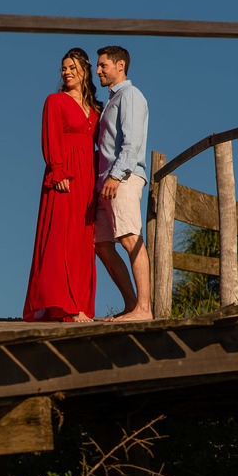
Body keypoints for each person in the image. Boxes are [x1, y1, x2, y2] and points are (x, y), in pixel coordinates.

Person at [23, 48, 101, 322]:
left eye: (71, 67)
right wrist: (59, 172)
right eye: (63, 68)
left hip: (88, 179)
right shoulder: (55, 101)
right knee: (61, 238)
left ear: (84, 70)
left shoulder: (95, 109)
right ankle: (62, 304)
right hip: (65, 176)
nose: (66, 72)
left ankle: (79, 304)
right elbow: (51, 137)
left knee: (82, 239)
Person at [94, 45, 151, 321]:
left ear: (120, 66)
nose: (98, 71)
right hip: (106, 182)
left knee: (129, 238)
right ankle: (131, 305)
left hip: (124, 179)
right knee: (101, 244)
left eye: (103, 65)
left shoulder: (130, 95)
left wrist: (116, 176)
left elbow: (132, 142)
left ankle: (144, 309)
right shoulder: (111, 101)